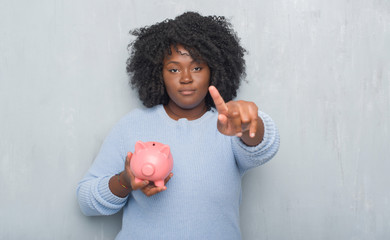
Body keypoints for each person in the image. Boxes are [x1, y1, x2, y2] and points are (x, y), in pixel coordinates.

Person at [77, 11, 280, 240]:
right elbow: (86, 201)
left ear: (213, 70)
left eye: (197, 67)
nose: (185, 78)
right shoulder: (132, 126)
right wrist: (125, 181)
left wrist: (249, 125)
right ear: (158, 74)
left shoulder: (228, 125)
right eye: (174, 69)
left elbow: (263, 148)